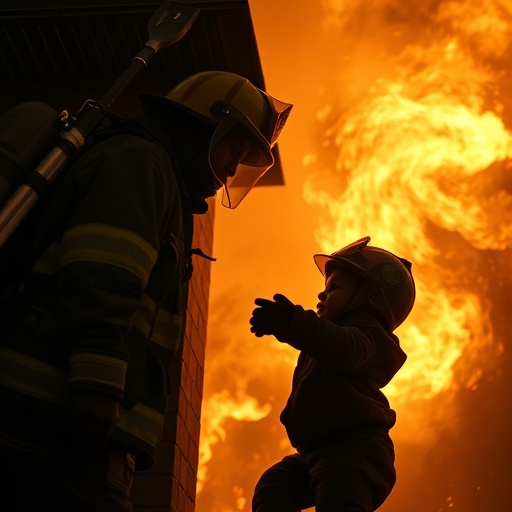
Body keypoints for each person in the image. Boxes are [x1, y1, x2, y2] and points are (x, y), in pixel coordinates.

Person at [0, 70, 292, 512]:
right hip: (55, 422)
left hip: (73, 431)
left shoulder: (163, 180)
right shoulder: (140, 163)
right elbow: (103, 274)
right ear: (208, 123)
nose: (234, 168)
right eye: (236, 148)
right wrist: (98, 385)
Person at [249, 236, 415, 512]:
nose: (322, 295)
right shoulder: (326, 339)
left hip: (353, 450)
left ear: (370, 298)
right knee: (274, 486)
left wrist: (293, 323)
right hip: (316, 451)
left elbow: (343, 348)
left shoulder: (367, 335)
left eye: (334, 288)